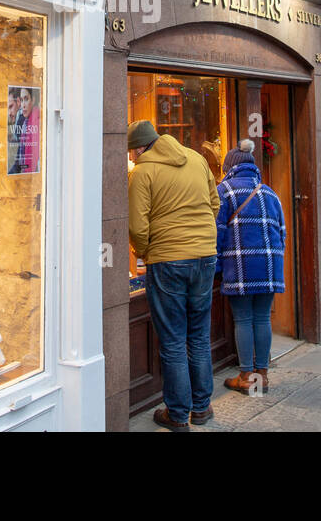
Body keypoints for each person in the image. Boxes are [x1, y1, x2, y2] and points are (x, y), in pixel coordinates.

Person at [127, 119, 220, 432]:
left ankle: (178, 414)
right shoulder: (195, 159)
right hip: (205, 257)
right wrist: (201, 235)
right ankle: (202, 407)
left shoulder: (142, 172)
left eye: (132, 151)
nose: (131, 157)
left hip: (167, 260)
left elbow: (138, 227)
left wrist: (145, 252)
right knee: (198, 334)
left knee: (173, 341)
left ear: (140, 147)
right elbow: (214, 202)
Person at [215, 139, 285, 396]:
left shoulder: (225, 191)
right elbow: (282, 231)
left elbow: (218, 233)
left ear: (230, 166)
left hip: (240, 265)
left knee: (243, 319)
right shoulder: (269, 192)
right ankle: (263, 375)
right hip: (269, 263)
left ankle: (246, 376)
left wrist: (215, 266)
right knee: (263, 317)